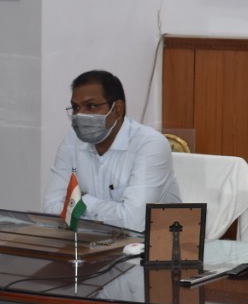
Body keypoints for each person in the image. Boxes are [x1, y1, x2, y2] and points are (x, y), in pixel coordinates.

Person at [43, 69, 179, 232]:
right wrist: (111, 212)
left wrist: (82, 201)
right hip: (92, 241)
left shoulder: (149, 144)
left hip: (152, 243)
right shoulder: (72, 141)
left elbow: (133, 222)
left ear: (117, 109)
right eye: (76, 107)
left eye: (91, 106)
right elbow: (50, 209)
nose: (80, 115)